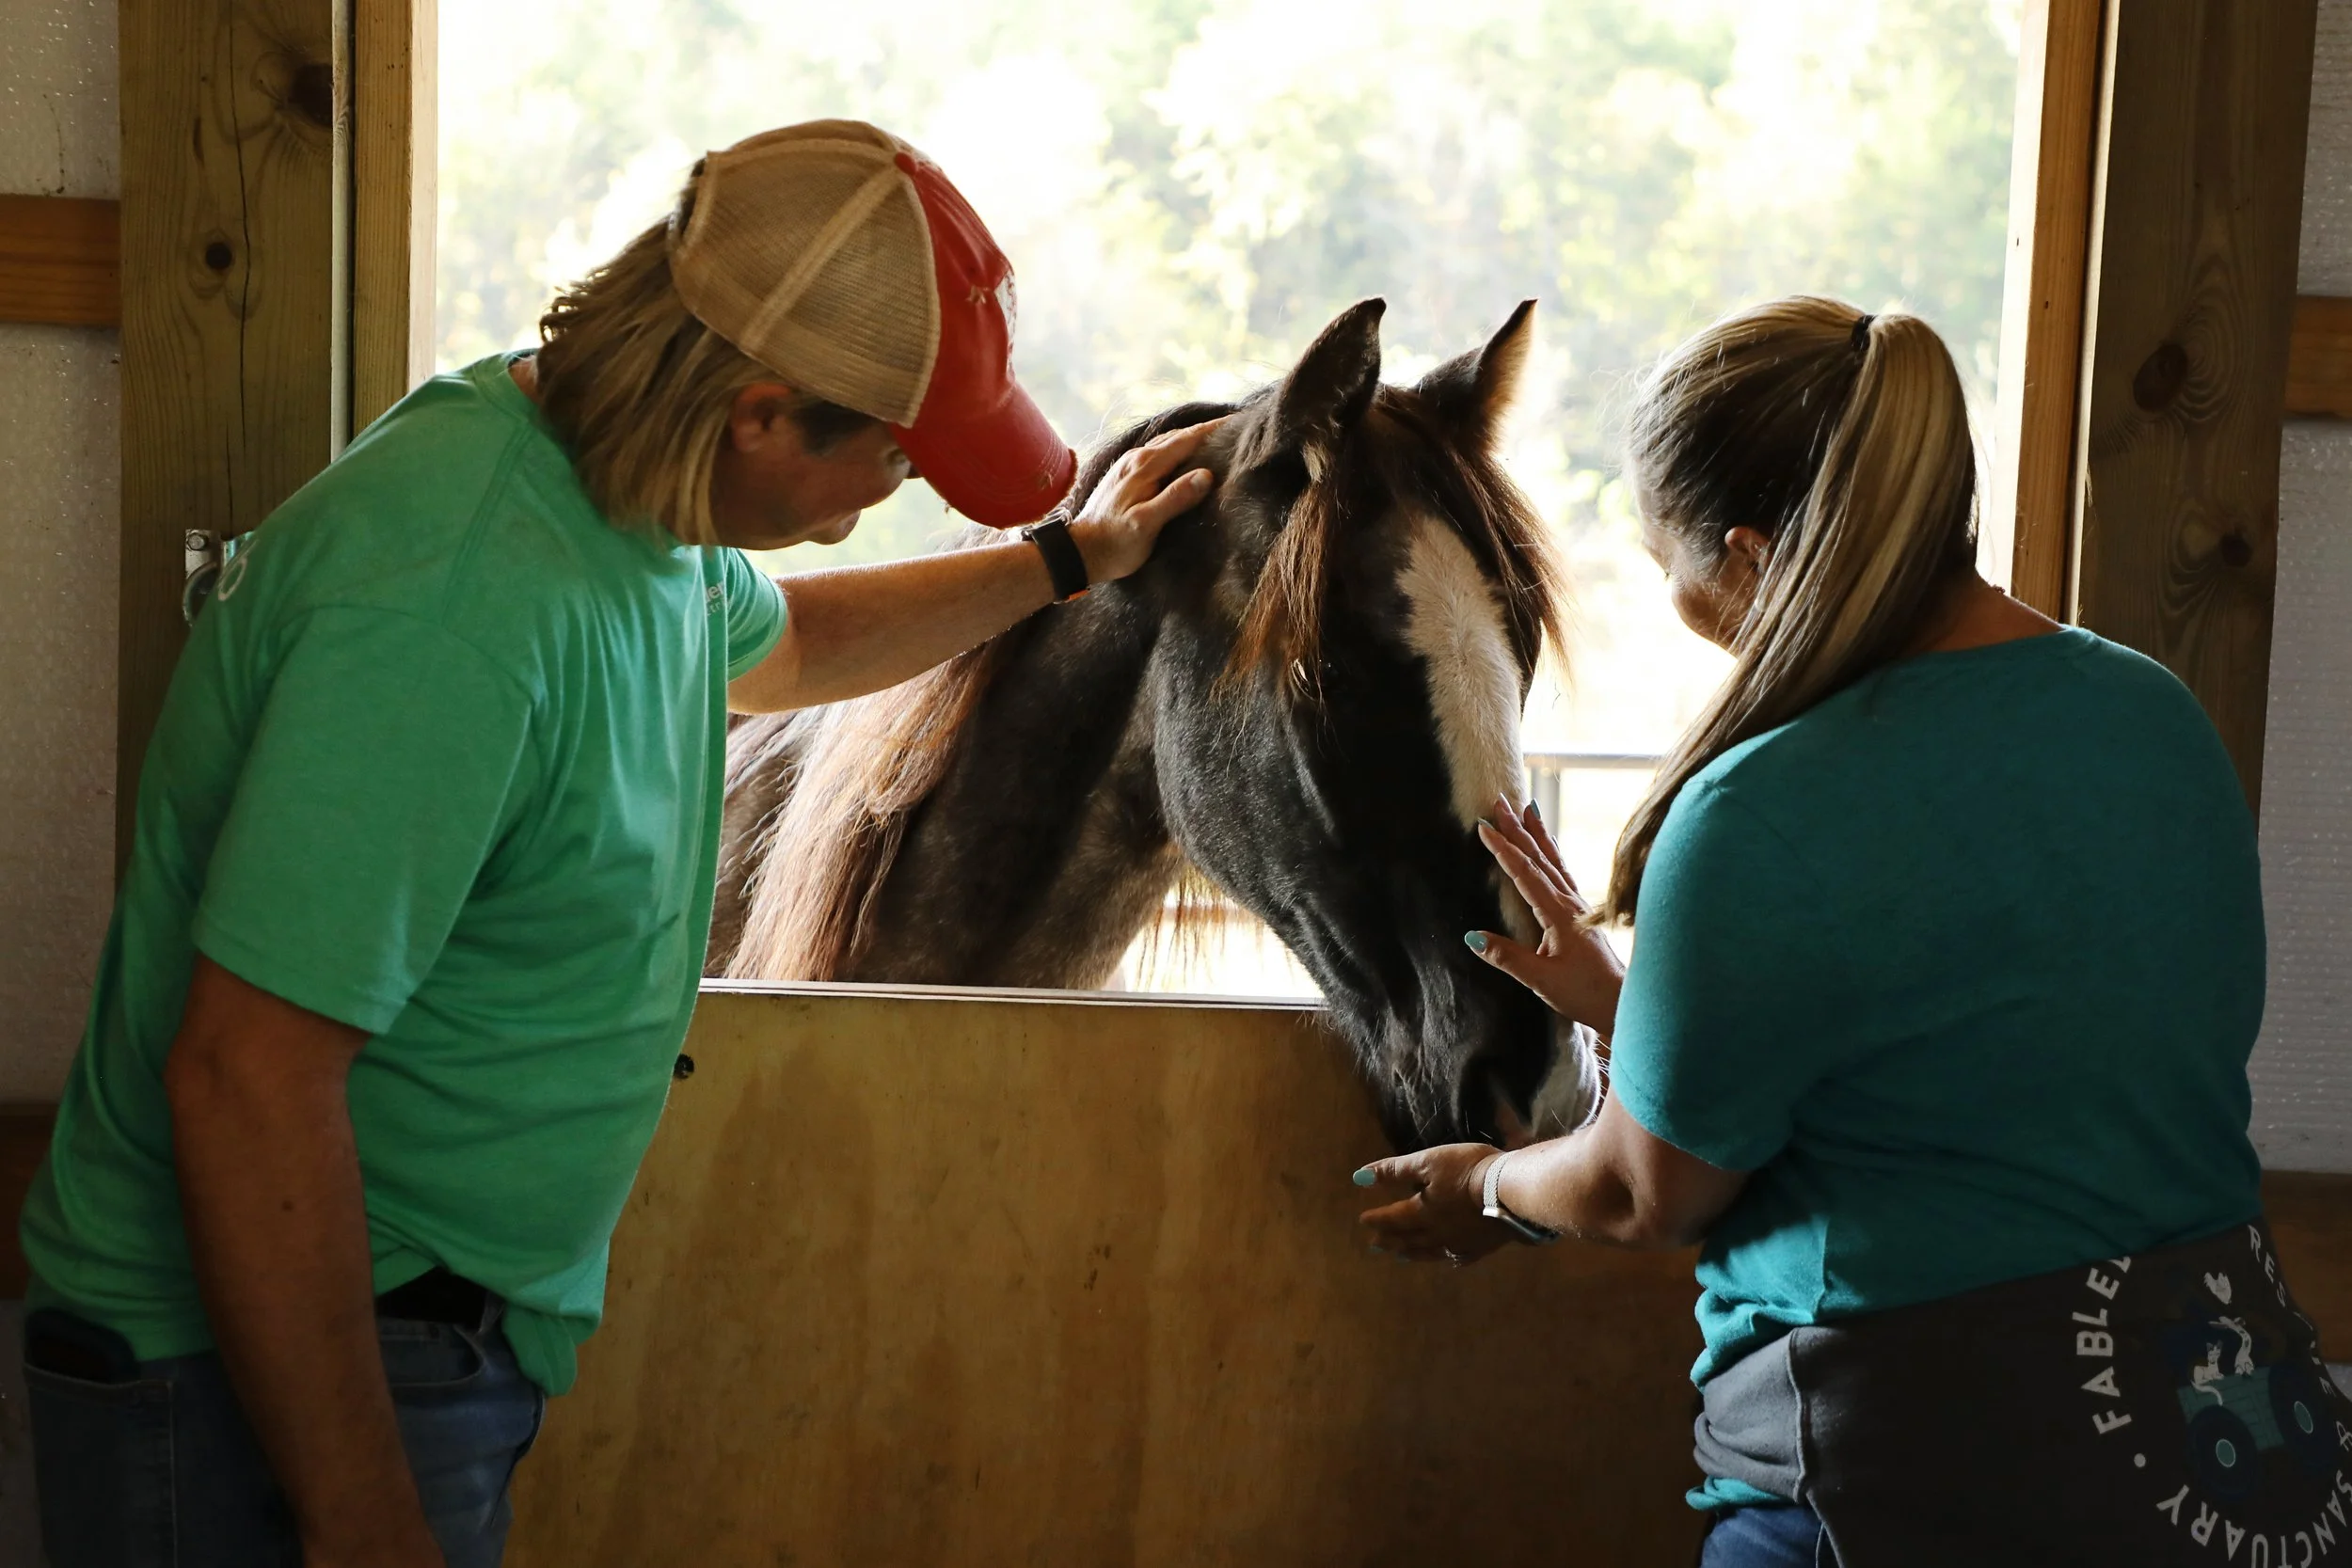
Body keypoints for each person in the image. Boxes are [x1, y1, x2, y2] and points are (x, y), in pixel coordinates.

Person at [19, 119, 1217, 1568]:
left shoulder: (632, 508)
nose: (881, 501)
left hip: (419, 1331)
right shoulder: (450, 608)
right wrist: (358, 1517)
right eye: (893, 460)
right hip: (257, 1371)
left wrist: (1069, 564)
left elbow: (781, 650)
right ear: (762, 412)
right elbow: (246, 1075)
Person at [1356, 297, 2346, 1566]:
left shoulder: (1759, 809)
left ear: (1756, 558)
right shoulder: (2154, 717)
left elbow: (1642, 1189)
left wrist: (1485, 1186)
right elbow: (1991, 1050)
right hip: (2231, 1455)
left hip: (1913, 1482)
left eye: (1675, 566)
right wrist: (1637, 1008)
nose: (1680, 604)